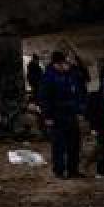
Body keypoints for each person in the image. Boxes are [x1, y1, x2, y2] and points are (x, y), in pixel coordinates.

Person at [38, 51, 87, 179]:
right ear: (57, 64)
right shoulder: (48, 78)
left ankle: (73, 170)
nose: (68, 65)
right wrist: (47, 117)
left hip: (71, 115)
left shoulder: (71, 75)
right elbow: (44, 99)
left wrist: (80, 111)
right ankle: (59, 171)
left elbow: (78, 93)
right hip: (56, 116)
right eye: (66, 63)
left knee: (74, 144)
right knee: (59, 146)